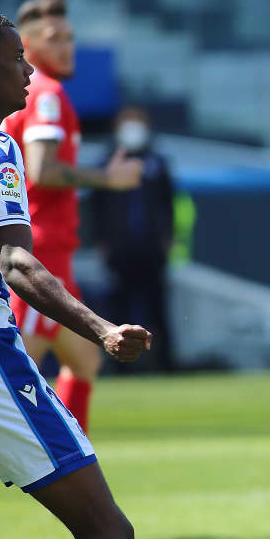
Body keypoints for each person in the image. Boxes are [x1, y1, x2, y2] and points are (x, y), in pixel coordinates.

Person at [0, 12, 152, 539]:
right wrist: (102, 327)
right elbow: (14, 258)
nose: (29, 66)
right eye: (15, 57)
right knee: (107, 529)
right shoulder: (17, 135)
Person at [0, 0, 142, 431]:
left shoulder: (32, 94)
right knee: (18, 367)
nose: (65, 47)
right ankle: (56, 460)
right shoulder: (47, 95)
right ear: (27, 45)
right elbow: (43, 169)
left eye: (69, 37)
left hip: (45, 250)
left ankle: (73, 458)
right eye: (52, 38)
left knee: (84, 361)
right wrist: (109, 179)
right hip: (34, 254)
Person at [87, 106, 176, 371]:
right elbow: (97, 208)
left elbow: (168, 204)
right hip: (120, 249)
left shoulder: (157, 163)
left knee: (157, 308)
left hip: (151, 248)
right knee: (119, 308)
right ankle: (121, 365)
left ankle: (165, 364)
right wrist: (101, 241)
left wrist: (167, 238)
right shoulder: (105, 164)